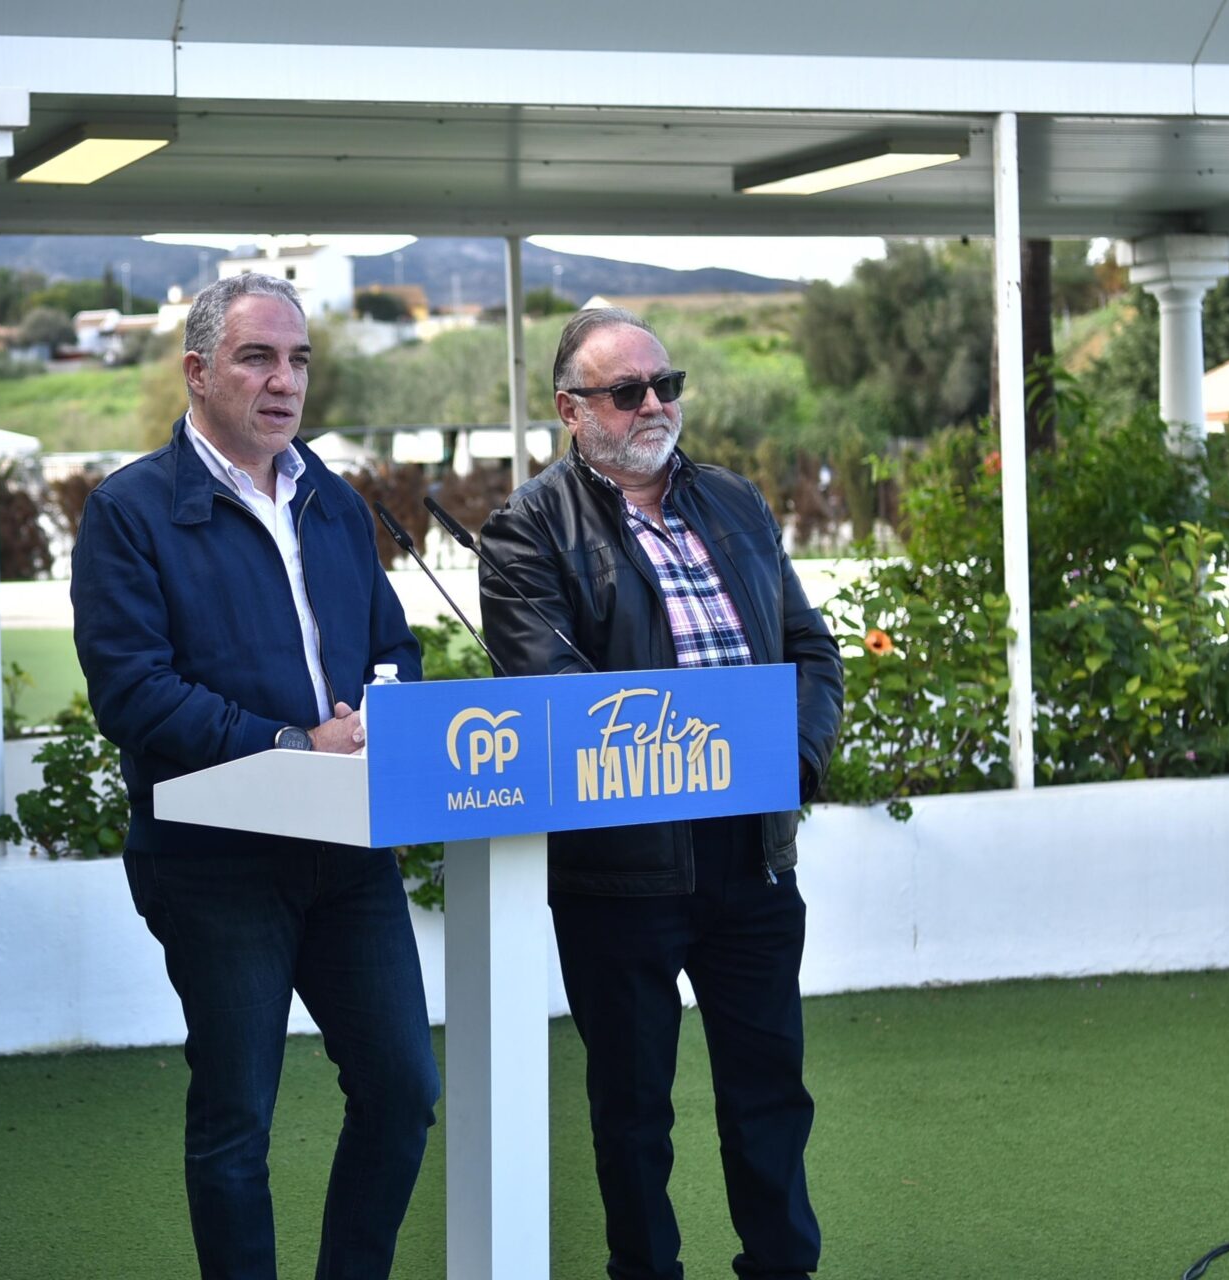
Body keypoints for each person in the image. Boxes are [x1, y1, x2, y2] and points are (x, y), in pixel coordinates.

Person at [71, 272, 441, 1279]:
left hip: (348, 852)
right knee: (238, 1117)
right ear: (197, 371)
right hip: (216, 860)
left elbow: (393, 647)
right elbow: (134, 693)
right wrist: (291, 742)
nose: (286, 381)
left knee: (403, 1090)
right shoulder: (129, 511)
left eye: (299, 360)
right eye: (257, 357)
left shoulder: (334, 499)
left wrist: (380, 713)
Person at [476, 308, 844, 1280]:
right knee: (634, 1112)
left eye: (665, 384)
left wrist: (795, 761)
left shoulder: (734, 500)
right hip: (620, 863)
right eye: (626, 390)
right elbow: (555, 695)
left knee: (770, 1091)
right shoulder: (526, 528)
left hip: (751, 850)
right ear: (570, 410)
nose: (654, 405)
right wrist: (687, 750)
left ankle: (784, 1268)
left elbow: (809, 649)